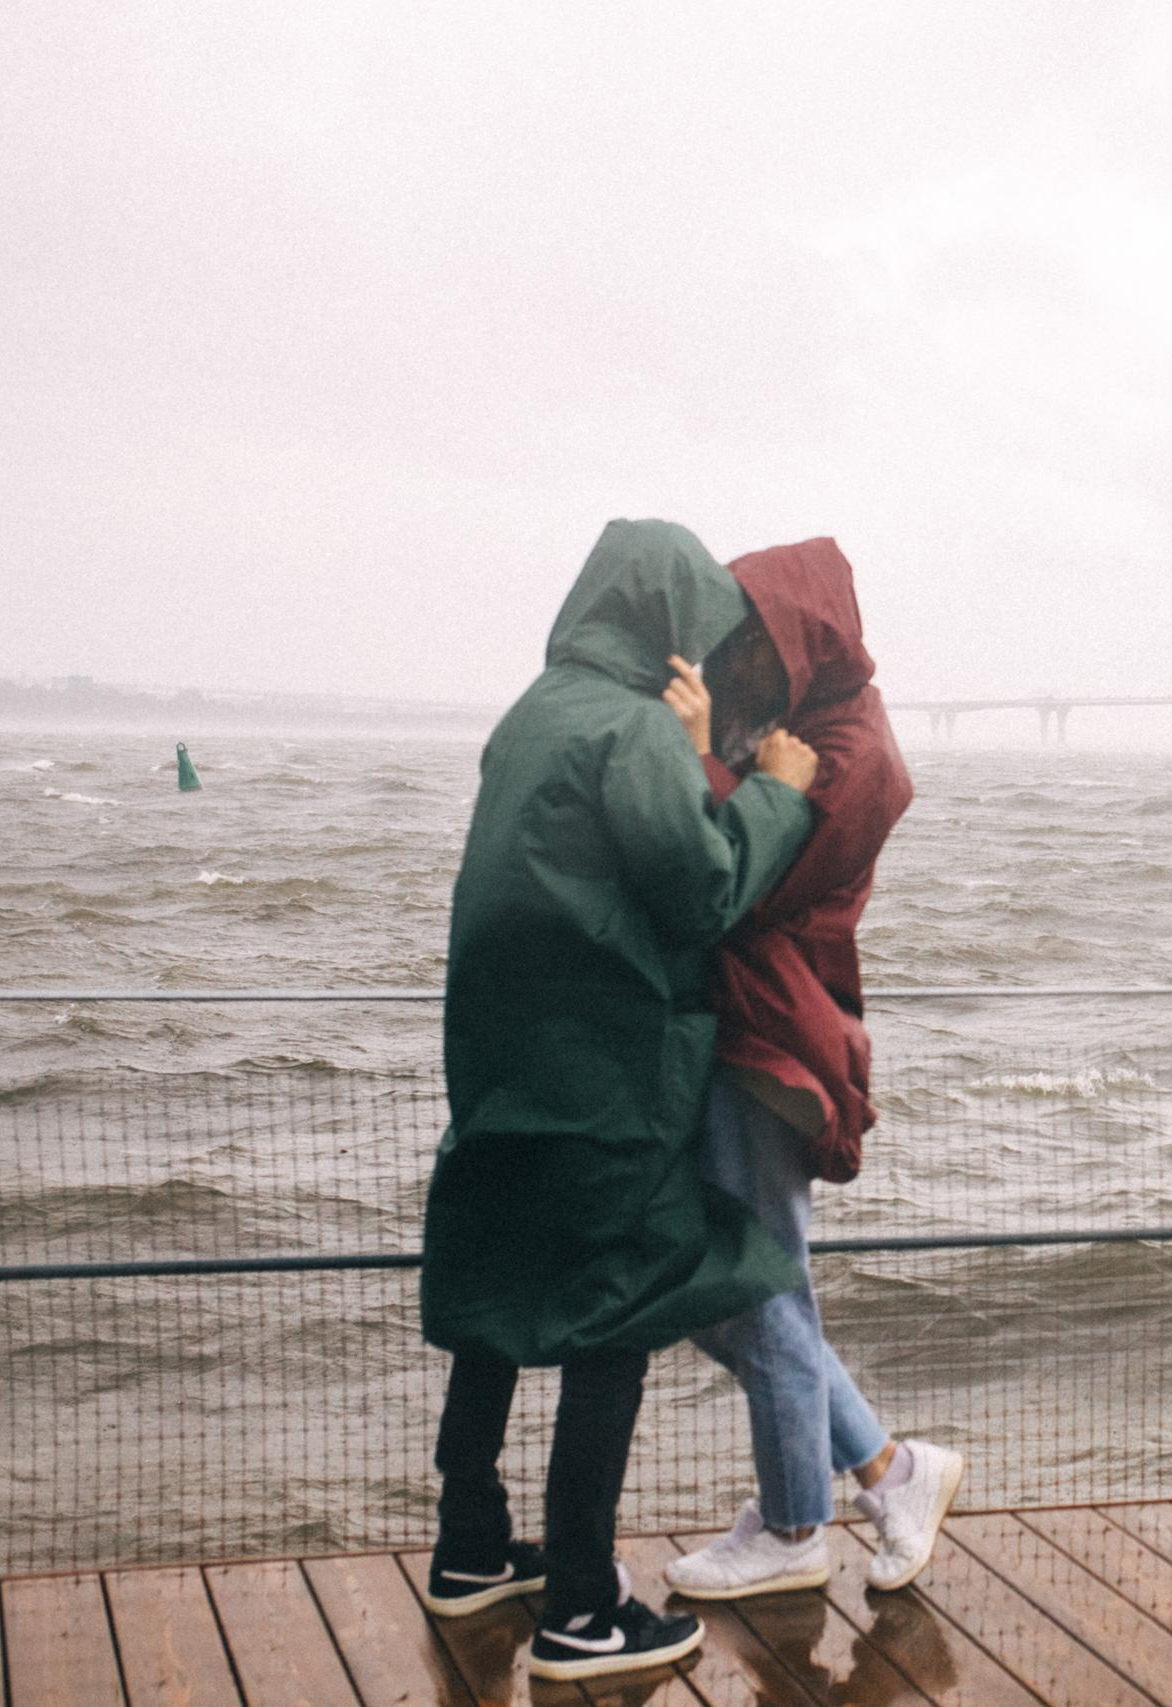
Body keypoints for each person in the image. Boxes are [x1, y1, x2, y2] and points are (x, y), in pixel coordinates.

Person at [417, 519, 821, 1683]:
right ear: (664, 623)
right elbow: (698, 891)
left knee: (498, 1296)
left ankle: (471, 1548)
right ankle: (584, 1610)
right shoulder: (629, 726)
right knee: (615, 1319)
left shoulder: (530, 715)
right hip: (608, 1072)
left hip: (501, 1064)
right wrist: (774, 795)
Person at [651, 538, 965, 1601]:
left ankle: (794, 1526)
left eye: (754, 635)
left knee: (759, 1283)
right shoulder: (809, 725)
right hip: (756, 1024)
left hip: (775, 1033)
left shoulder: (851, 757)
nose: (734, 654)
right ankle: (885, 1468)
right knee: (733, 1283)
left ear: (800, 637)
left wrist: (700, 758)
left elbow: (737, 884)